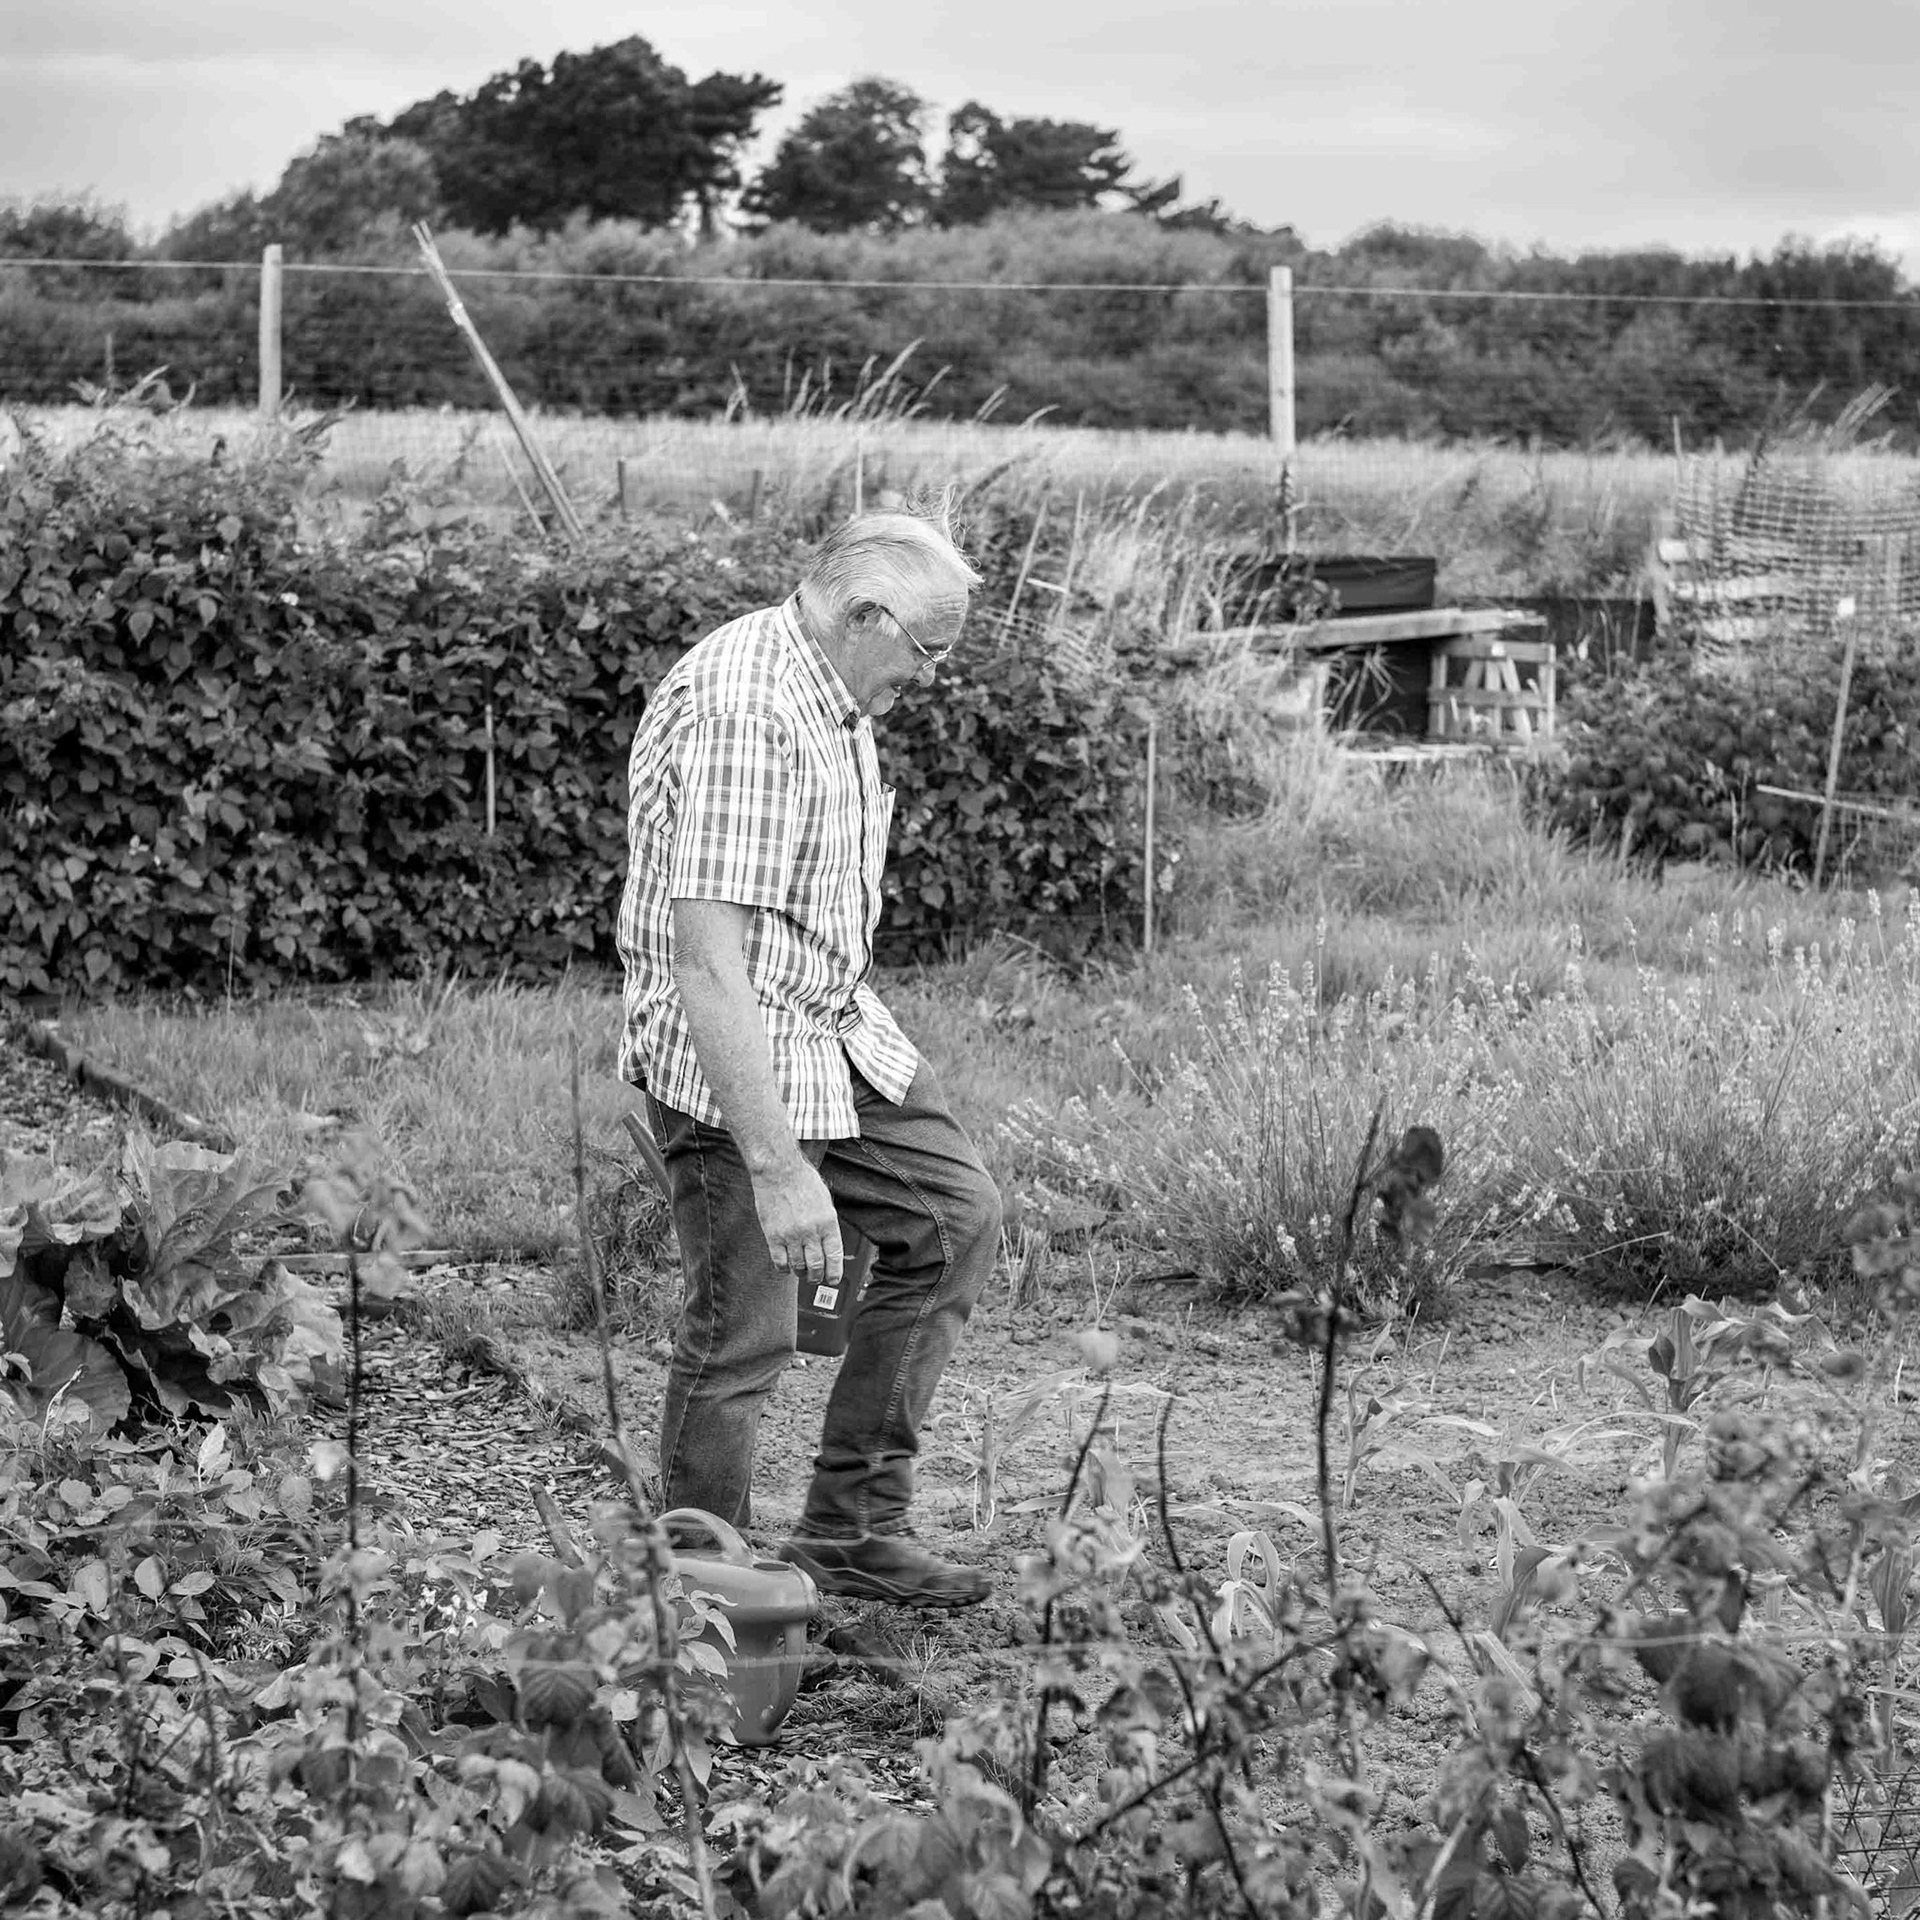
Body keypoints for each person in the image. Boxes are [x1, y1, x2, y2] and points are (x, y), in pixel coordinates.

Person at [616, 506, 1002, 1611]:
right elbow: (707, 964)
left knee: (952, 1220)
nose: (930, 675)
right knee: (745, 1333)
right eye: (927, 650)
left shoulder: (830, 687)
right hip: (734, 1053)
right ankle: (699, 1602)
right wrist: (780, 1167)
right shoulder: (749, 709)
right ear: (866, 613)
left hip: (828, 1024)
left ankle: (850, 1530)